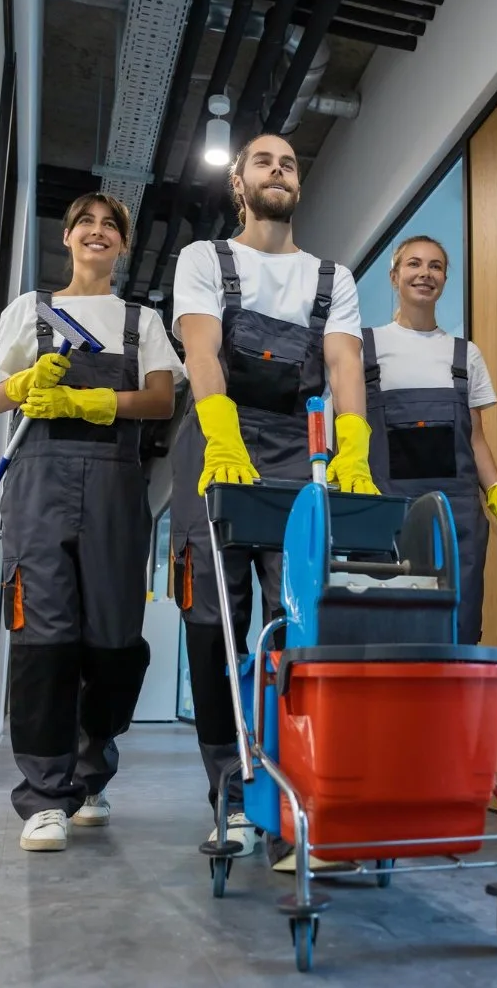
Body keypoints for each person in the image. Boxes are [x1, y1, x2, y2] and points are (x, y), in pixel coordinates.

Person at [170, 133, 375, 872]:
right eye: (264, 161)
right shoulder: (206, 261)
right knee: (214, 620)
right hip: (217, 439)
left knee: (297, 620)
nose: (278, 170)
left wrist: (353, 446)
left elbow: (344, 362)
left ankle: (295, 802)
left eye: (289, 162)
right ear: (238, 182)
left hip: (296, 448)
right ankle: (231, 795)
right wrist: (222, 436)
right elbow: (200, 348)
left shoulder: (331, 277)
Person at [0, 192, 184, 852]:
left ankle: (91, 774)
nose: (98, 233)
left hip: (114, 486)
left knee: (112, 637)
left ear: (123, 247)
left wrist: (96, 400)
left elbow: (160, 399)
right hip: (39, 482)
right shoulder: (29, 312)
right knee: (44, 634)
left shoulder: (141, 321)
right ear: (67, 238)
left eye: (111, 227)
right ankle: (44, 796)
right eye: (87, 224)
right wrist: (20, 387)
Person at [362, 235, 497, 644]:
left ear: (445, 278)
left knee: (456, 635)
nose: (425, 274)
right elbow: (345, 427)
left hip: (456, 520)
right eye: (414, 264)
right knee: (387, 634)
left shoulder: (465, 355)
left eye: (436, 266)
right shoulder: (365, 348)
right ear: (394, 276)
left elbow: (475, 439)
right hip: (385, 515)